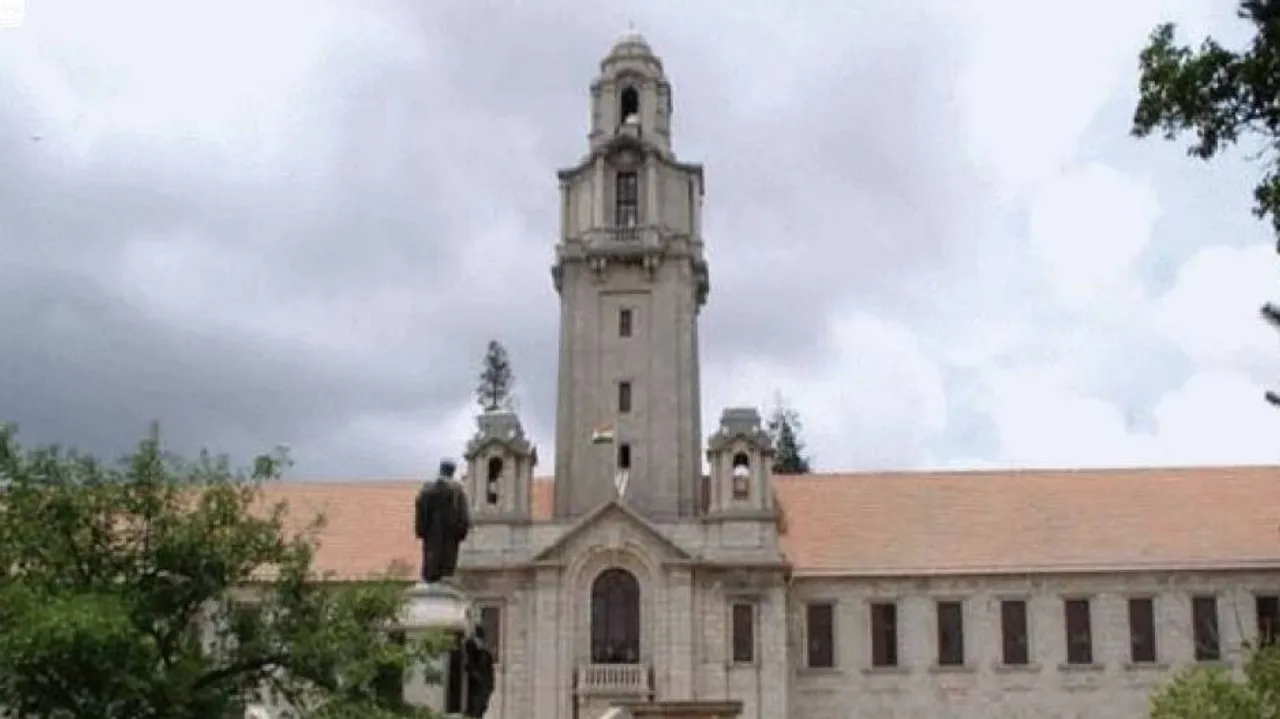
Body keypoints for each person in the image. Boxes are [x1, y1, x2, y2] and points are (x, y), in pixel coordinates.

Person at [414, 459, 471, 583]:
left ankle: (430, 576)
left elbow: (420, 508)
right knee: (447, 561)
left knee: (431, 557)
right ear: (452, 472)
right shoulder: (457, 490)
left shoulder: (427, 488)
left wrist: (421, 529)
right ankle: (445, 575)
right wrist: (462, 531)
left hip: (432, 533)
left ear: (441, 470)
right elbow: (463, 515)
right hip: (450, 534)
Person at [462, 624, 495, 718]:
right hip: (479, 684)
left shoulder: (484, 655)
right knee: (477, 708)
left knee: (478, 708)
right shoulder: (479, 653)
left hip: (481, 684)